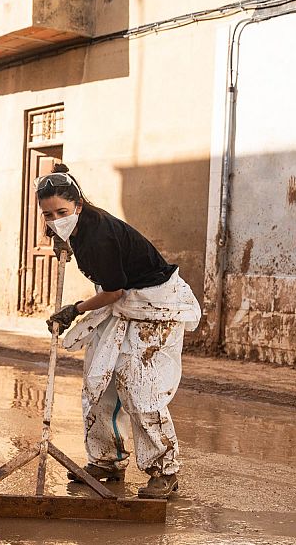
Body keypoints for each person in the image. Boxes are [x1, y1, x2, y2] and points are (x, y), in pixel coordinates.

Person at [40, 166, 200, 500]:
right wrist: (63, 241)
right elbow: (113, 292)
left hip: (155, 307)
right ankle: (107, 461)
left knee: (140, 388)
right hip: (124, 305)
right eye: (49, 215)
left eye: (62, 213)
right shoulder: (76, 230)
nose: (56, 219)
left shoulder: (100, 235)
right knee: (100, 383)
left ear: (79, 205)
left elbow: (113, 291)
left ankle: (165, 470)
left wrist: (74, 310)